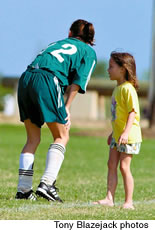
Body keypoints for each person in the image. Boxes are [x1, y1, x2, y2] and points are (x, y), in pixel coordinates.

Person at [15, 19, 97, 202]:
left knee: (33, 138)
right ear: (91, 38)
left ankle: (23, 190)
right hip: (47, 80)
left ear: (69, 32)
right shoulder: (88, 52)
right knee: (62, 135)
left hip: (26, 78)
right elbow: (78, 82)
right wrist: (67, 107)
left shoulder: (57, 43)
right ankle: (47, 184)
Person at [93, 52, 142, 209]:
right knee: (111, 164)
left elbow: (132, 113)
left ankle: (129, 202)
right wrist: (112, 133)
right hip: (117, 135)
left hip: (129, 136)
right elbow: (118, 115)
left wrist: (126, 133)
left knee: (124, 167)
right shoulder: (117, 88)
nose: (108, 70)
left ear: (123, 69)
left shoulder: (128, 89)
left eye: (111, 67)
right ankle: (109, 198)